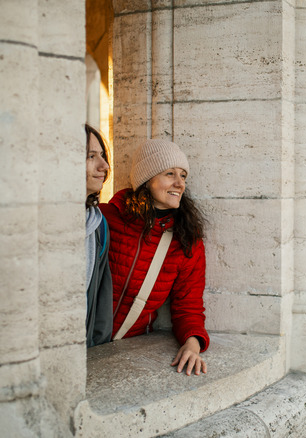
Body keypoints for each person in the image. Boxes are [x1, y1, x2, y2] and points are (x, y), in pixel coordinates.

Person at [100, 139, 209, 376]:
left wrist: (193, 344)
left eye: (183, 175)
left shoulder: (186, 239)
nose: (180, 184)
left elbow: (188, 305)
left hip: (123, 349)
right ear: (146, 180)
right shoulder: (106, 219)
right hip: (79, 340)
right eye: (170, 173)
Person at [84, 124, 114, 347]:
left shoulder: (98, 223)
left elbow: (101, 299)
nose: (104, 166)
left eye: (102, 156)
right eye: (91, 156)